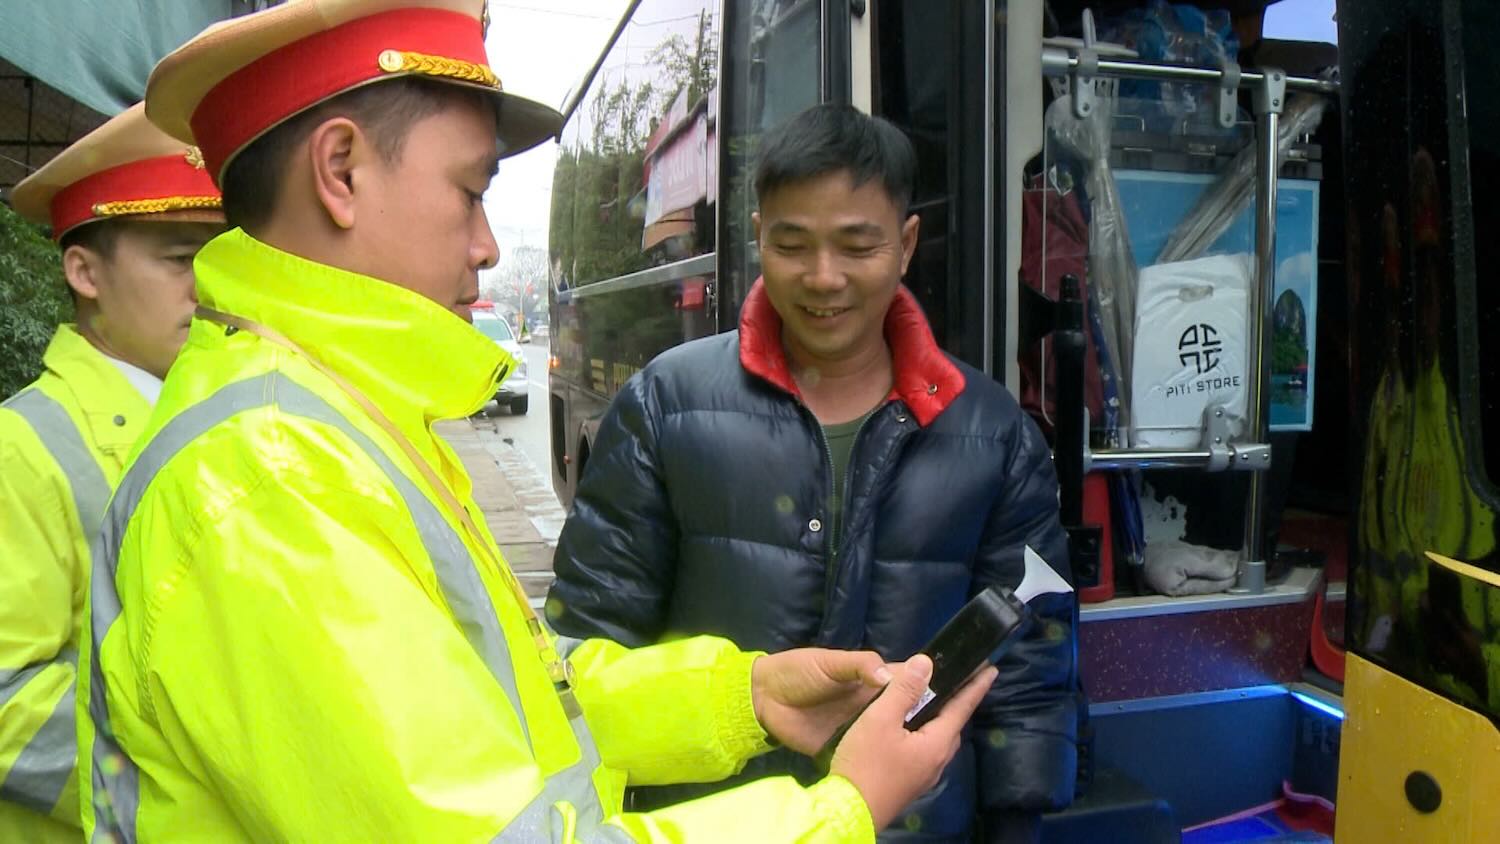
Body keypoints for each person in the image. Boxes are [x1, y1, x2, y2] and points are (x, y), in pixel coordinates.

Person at [77, 2, 993, 841]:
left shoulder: (322, 424)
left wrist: (741, 699)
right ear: (340, 170)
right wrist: (842, 807)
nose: (487, 246)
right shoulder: (272, 478)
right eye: (470, 192)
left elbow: (511, 702)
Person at [550, 105, 1081, 843]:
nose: (824, 278)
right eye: (792, 245)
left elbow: (1029, 664)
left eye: (857, 246)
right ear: (759, 236)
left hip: (916, 821)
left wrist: (1020, 818)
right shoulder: (666, 405)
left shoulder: (993, 433)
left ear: (906, 244)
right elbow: (591, 643)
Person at [0, 103, 223, 843]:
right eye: (179, 258)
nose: (207, 286)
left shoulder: (211, 415)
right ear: (84, 271)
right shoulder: (22, 446)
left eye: (218, 256)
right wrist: (194, 784)